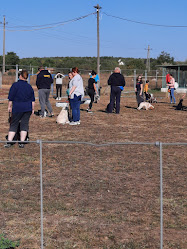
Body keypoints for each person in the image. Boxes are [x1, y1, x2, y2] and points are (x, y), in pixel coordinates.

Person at [4, 70, 35, 148]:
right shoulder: (29, 86)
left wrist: (9, 106)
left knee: (14, 124)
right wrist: (33, 109)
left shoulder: (15, 85)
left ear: (20, 76)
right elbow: (32, 100)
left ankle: (9, 142)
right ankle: (22, 142)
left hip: (17, 107)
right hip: (27, 108)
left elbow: (11, 97)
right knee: (24, 124)